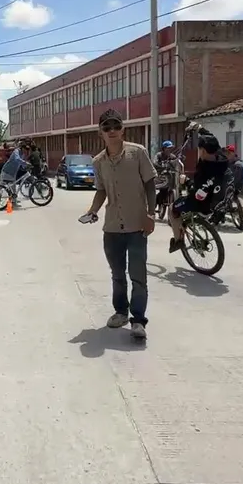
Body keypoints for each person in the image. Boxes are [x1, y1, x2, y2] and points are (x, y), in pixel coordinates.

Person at [80, 109, 156, 340]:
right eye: (107, 127)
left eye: (116, 126)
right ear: (100, 132)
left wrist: (150, 214)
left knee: (138, 276)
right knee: (117, 274)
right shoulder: (98, 162)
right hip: (112, 228)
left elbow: (150, 185)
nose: (112, 131)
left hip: (137, 226)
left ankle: (138, 320)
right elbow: (101, 190)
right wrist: (92, 211)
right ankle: (121, 312)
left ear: (123, 129)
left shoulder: (138, 152)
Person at [168, 127, 230, 253]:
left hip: (202, 204)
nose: (199, 152)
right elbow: (212, 139)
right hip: (218, 199)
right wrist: (200, 128)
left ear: (203, 150)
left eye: (200, 149)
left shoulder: (204, 172)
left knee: (172, 209)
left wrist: (186, 181)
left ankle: (178, 240)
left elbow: (198, 195)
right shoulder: (222, 159)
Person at [154, 139, 183, 214]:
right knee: (162, 189)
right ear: (164, 148)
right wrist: (161, 166)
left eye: (171, 148)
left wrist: (179, 159)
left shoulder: (172, 156)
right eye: (168, 148)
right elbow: (155, 163)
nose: (169, 150)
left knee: (177, 188)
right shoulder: (159, 155)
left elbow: (176, 163)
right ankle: (156, 202)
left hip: (170, 176)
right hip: (160, 175)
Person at [0, 142, 28, 208]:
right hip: (7, 171)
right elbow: (17, 159)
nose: (26, 151)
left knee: (13, 189)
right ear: (22, 148)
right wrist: (25, 163)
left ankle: (13, 202)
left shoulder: (22, 154)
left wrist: (26, 167)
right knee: (2, 185)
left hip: (13, 173)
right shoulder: (16, 151)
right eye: (25, 149)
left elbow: (20, 164)